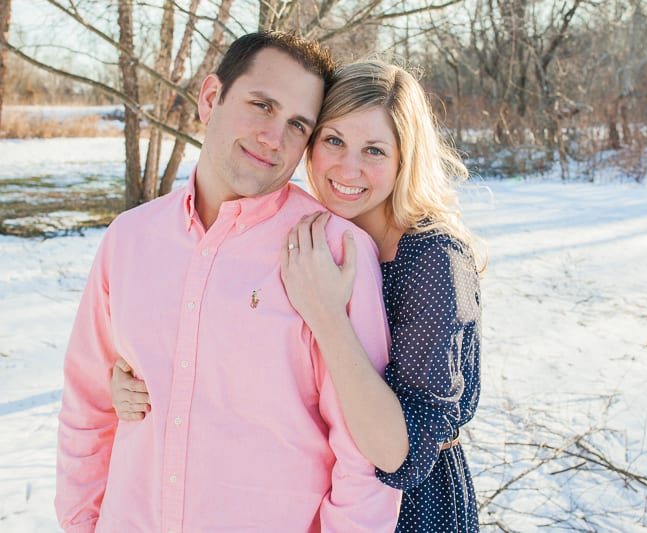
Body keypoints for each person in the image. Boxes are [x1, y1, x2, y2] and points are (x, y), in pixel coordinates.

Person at [112, 61, 483, 532]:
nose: (349, 168)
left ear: (404, 158)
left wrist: (328, 315)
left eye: (374, 150)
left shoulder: (431, 260)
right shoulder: (314, 238)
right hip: (328, 493)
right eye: (333, 140)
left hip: (411, 505)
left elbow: (398, 453)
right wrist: (136, 379)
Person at [55, 32, 401, 533]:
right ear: (211, 97)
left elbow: (361, 459)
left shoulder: (332, 250)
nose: (273, 138)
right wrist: (82, 523)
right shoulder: (129, 239)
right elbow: (87, 405)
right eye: (262, 105)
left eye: (297, 125)